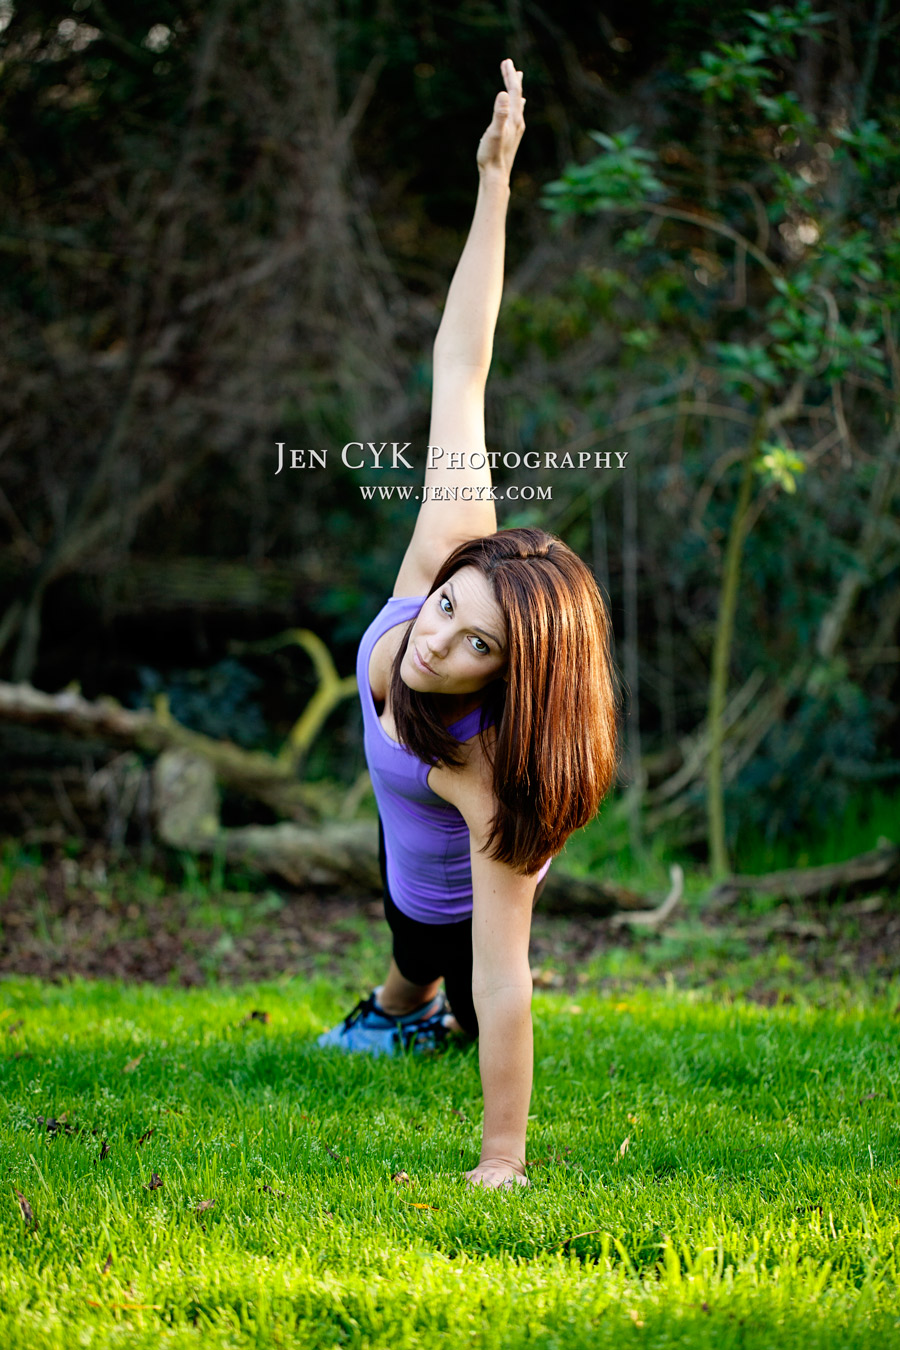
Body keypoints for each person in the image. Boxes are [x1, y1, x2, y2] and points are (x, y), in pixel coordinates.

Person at [317, 59, 619, 1190]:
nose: (440, 638)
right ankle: (400, 1005)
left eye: (478, 645)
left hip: (448, 899)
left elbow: (509, 973)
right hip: (399, 852)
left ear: (509, 676)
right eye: (451, 611)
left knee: (435, 960)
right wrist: (494, 184)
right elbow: (463, 362)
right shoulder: (449, 554)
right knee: (399, 932)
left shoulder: (490, 772)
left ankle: (405, 1010)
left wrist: (504, 1161)